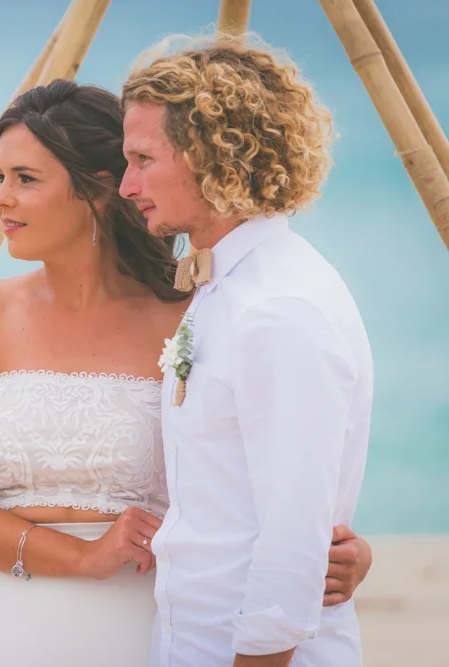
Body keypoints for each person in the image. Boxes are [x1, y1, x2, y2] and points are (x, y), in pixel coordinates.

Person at [0, 74, 372, 665]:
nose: (0, 197)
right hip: (9, 620)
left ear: (100, 189)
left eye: (25, 178)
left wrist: (333, 554)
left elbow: (261, 474)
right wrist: (79, 557)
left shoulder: (197, 313)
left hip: (148, 618)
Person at [117, 35, 373, 666]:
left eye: (143, 159)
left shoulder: (278, 308)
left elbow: (292, 542)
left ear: (212, 156)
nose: (126, 186)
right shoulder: (223, 290)